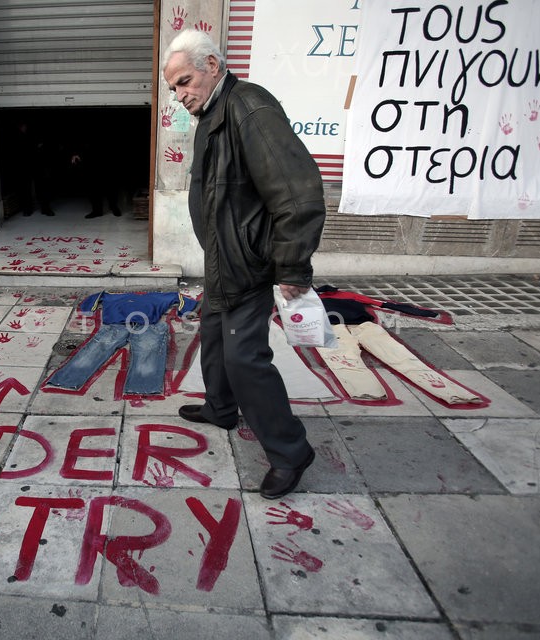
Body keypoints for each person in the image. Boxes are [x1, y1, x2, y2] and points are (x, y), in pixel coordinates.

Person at [162, 30, 326, 499]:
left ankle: (291, 452)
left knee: (244, 358)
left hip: (248, 265)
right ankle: (220, 407)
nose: (179, 95)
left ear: (213, 65)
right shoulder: (214, 110)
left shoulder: (248, 107)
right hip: (223, 260)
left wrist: (292, 267)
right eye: (173, 88)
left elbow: (297, 191)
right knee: (211, 334)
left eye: (185, 81)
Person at [12, 120, 55, 217]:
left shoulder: (35, 133)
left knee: (42, 186)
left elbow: (42, 146)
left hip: (38, 163)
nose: (23, 127)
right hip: (25, 165)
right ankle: (28, 208)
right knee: (26, 188)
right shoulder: (18, 136)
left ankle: (45, 208)